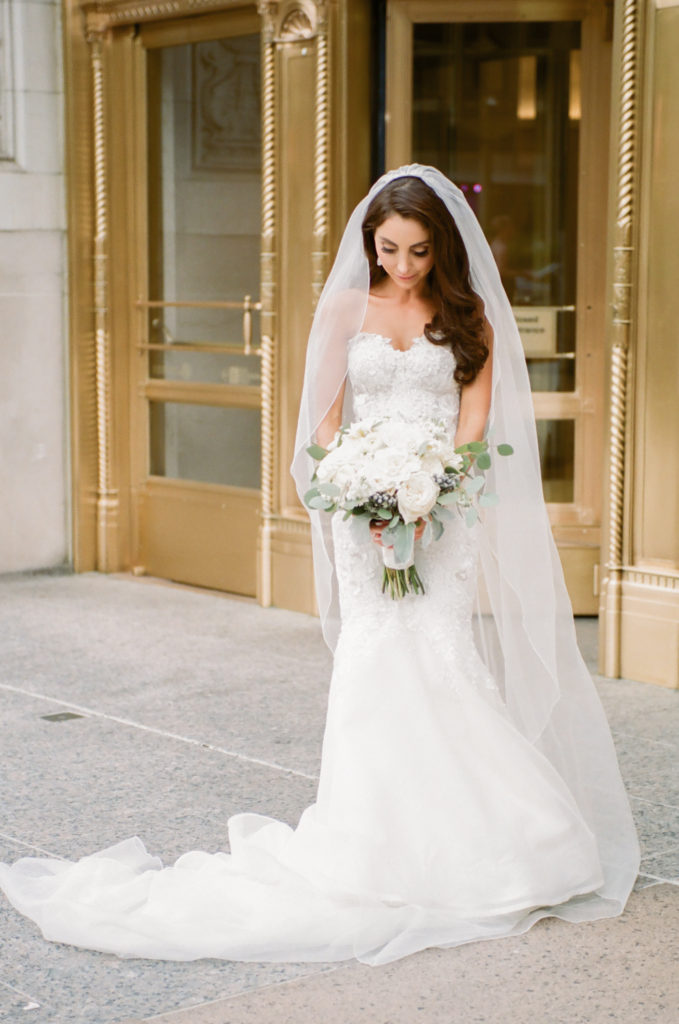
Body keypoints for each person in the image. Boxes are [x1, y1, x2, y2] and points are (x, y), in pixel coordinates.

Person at [0, 164, 639, 966]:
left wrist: (436, 486)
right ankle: (370, 843)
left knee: (440, 652)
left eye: (417, 252)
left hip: (442, 508)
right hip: (360, 505)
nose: (402, 266)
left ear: (441, 248)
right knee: (375, 657)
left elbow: (473, 421)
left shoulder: (467, 314)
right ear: (370, 243)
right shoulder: (344, 308)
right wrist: (362, 488)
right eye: (388, 249)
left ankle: (486, 838)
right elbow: (326, 421)